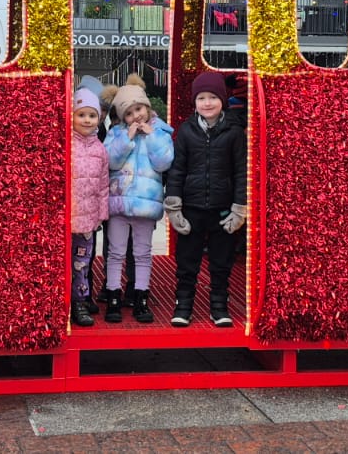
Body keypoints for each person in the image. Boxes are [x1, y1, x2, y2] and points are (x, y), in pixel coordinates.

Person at [165, 72, 248, 328]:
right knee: (187, 260)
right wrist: (174, 206)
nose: (207, 103)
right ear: (195, 101)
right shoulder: (186, 131)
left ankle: (219, 305)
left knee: (221, 260)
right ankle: (184, 304)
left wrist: (239, 209)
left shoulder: (235, 132)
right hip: (192, 207)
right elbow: (177, 170)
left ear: (222, 100)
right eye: (202, 98)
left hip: (223, 208)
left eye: (213, 97)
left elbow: (241, 171)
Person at [100, 74, 174, 324]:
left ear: (147, 107)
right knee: (116, 252)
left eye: (139, 109)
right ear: (123, 117)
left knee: (142, 253)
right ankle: (113, 297)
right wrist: (126, 140)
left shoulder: (160, 131)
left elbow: (164, 163)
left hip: (146, 204)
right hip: (119, 202)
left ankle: (141, 298)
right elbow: (110, 162)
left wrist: (151, 136)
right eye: (129, 113)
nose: (136, 116)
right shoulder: (116, 133)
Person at [69, 88, 109, 327]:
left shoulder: (99, 149)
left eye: (92, 115)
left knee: (82, 264)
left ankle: (80, 302)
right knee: (62, 264)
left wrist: (102, 214)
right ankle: (61, 302)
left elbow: (104, 184)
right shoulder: (66, 144)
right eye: (81, 114)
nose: (87, 120)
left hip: (87, 222)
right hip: (66, 219)